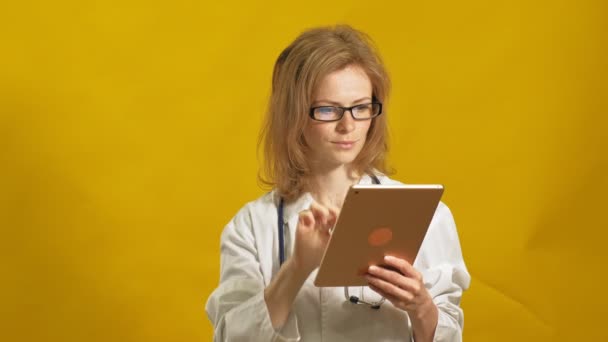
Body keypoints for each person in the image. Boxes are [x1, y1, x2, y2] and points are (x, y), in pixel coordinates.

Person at [205, 25, 470, 342]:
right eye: (328, 109)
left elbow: (450, 335)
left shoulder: (429, 216)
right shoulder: (250, 227)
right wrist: (297, 269)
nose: (348, 126)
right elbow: (233, 338)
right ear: (294, 114)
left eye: (361, 107)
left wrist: (421, 306)